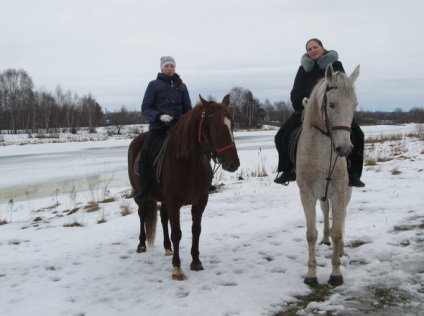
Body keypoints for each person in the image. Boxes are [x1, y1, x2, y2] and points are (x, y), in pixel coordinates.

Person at [274, 38, 365, 187]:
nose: (312, 50)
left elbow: (342, 88)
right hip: (307, 110)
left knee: (358, 135)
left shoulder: (336, 65)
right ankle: (288, 170)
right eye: (309, 49)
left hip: (333, 109)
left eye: (315, 47)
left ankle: (353, 173)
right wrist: (302, 101)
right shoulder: (303, 69)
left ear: (322, 48)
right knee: (280, 135)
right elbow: (295, 92)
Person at [134, 56, 192, 203]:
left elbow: (188, 110)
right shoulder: (153, 85)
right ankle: (145, 188)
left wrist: (184, 122)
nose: (170, 68)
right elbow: (145, 108)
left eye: (172, 66)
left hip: (179, 128)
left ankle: (205, 181)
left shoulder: (182, 87)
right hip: (159, 127)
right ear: (161, 68)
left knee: (200, 144)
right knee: (146, 152)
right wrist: (160, 116)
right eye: (167, 66)